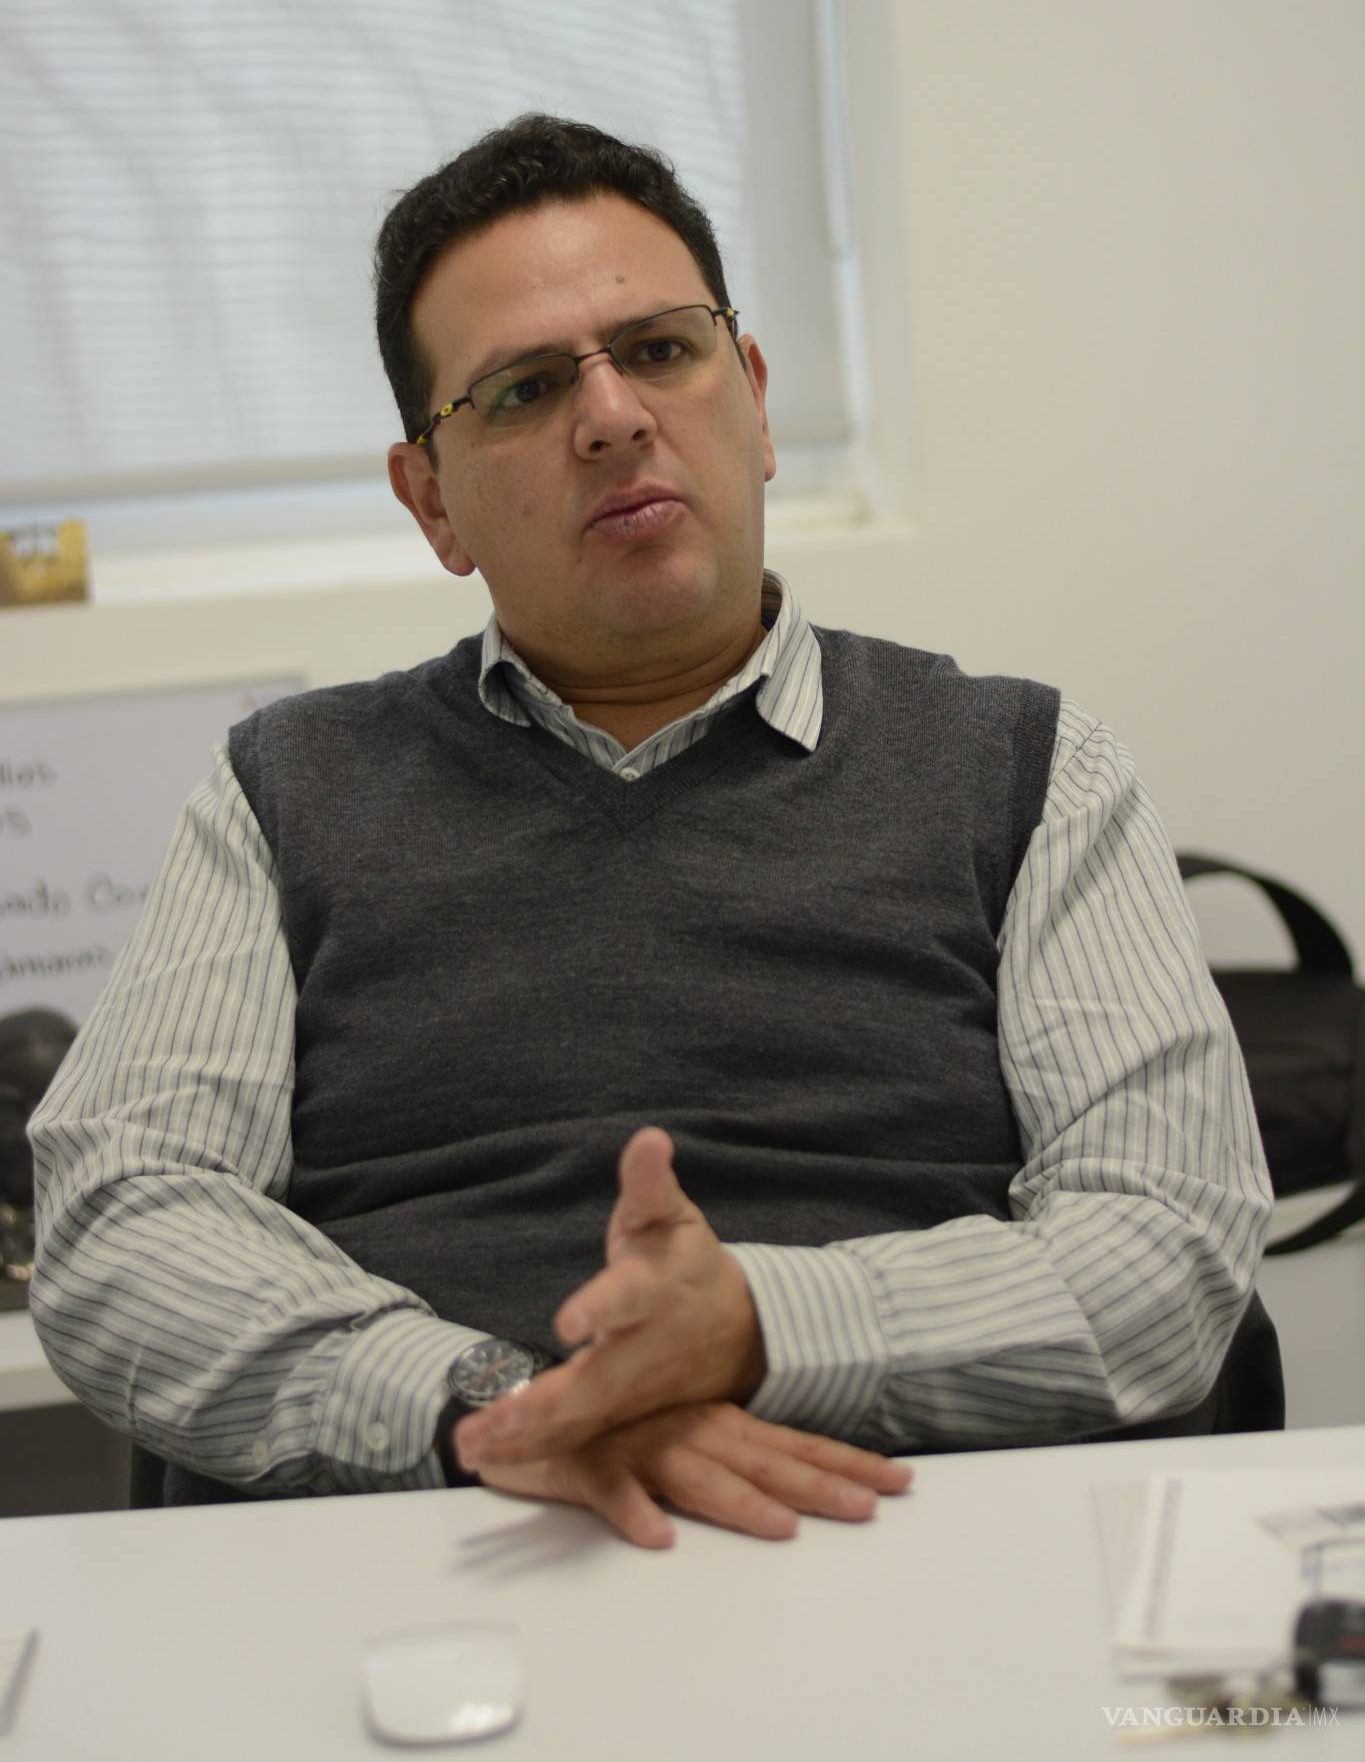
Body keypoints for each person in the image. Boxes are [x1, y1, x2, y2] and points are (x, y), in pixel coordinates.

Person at [29, 115, 1276, 1548]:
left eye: (662, 350)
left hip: (922, 1537)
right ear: (432, 501)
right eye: (523, 388)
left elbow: (1165, 1237)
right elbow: (123, 1223)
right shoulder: (281, 792)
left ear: (754, 400)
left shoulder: (1027, 767)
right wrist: (497, 1405)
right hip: (427, 1550)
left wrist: (761, 1329)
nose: (613, 415)